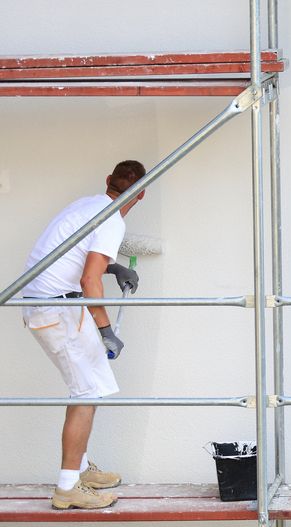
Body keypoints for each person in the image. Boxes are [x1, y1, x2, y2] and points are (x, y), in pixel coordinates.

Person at [21, 160, 145, 510]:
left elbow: (78, 256)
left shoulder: (88, 205)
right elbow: (89, 279)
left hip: (52, 304)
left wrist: (114, 267)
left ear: (108, 180)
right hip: (55, 309)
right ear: (142, 194)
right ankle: (67, 488)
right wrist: (105, 330)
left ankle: (81, 470)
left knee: (94, 382)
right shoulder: (112, 220)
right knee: (86, 391)